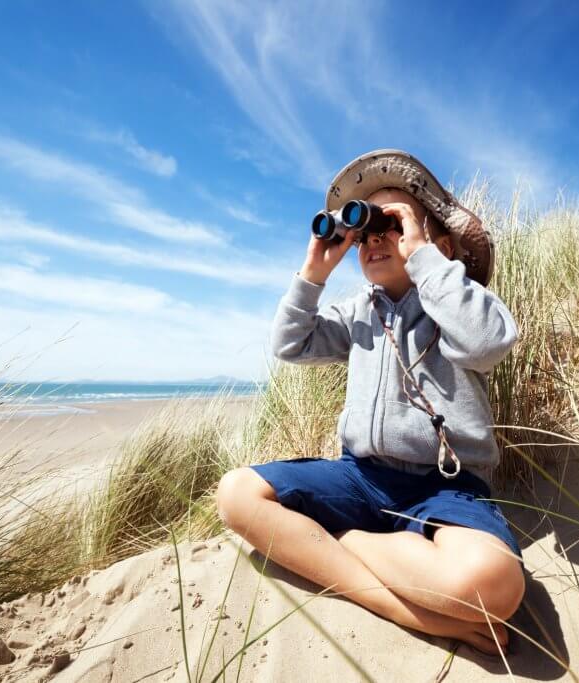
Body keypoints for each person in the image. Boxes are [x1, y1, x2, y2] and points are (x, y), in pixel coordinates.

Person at [216, 149, 524, 655]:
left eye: (395, 222)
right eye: (367, 229)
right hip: (360, 477)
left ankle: (347, 542)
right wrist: (315, 271)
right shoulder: (358, 312)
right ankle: (390, 601)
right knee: (236, 494)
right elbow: (290, 344)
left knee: (496, 584)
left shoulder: (456, 302)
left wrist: (427, 259)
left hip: (447, 489)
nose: (376, 236)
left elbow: (488, 341)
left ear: (438, 243)